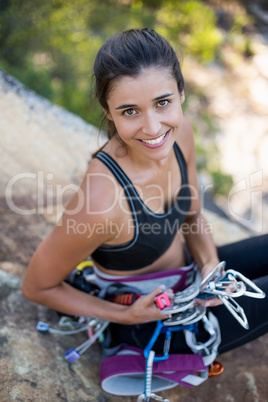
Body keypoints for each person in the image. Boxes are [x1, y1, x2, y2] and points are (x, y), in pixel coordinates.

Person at [22, 28, 268, 365]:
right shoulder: (100, 203)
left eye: (162, 102)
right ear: (109, 112)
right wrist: (125, 316)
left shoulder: (181, 134)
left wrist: (211, 269)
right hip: (149, 320)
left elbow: (193, 216)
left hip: (190, 275)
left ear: (181, 93)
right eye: (130, 111)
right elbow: (37, 286)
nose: (152, 128)